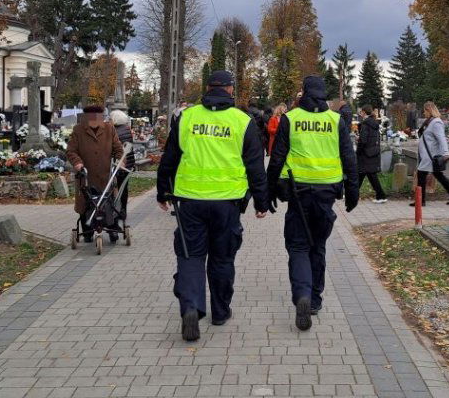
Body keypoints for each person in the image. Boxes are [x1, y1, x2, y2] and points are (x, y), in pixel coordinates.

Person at [157, 71, 268, 341]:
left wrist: (163, 191)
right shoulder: (243, 121)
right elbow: (255, 166)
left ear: (207, 89)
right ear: (231, 90)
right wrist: (262, 202)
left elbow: (170, 157)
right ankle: (220, 311)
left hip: (190, 201)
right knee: (222, 258)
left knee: (191, 256)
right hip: (227, 204)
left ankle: (191, 307)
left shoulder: (187, 117)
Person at [267, 76, 359, 331]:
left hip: (297, 193)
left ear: (304, 93)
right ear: (323, 94)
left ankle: (302, 295)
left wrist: (268, 191)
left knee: (298, 246)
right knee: (317, 246)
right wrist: (353, 191)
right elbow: (348, 157)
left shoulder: (291, 119)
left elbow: (277, 158)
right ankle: (315, 299)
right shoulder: (335, 120)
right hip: (327, 193)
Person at [66, 105, 124, 243]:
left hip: (106, 176)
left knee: (109, 203)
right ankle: (87, 232)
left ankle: (112, 230)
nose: (94, 120)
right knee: (85, 204)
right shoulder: (78, 130)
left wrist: (120, 160)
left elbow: (118, 149)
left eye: (97, 117)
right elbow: (71, 151)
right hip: (86, 176)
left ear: (102, 117)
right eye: (91, 117)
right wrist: (77, 163)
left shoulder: (109, 129)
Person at [412, 101, 449, 206]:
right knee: (439, 176)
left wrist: (446, 152)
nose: (424, 113)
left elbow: (441, 138)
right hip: (427, 155)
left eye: (424, 111)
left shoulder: (436, 122)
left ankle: (421, 201)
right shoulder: (430, 121)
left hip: (430, 156)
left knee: (421, 175)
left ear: (429, 110)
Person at [357, 105, 387, 203]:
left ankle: (381, 196)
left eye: (361, 112)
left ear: (364, 112)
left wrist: (358, 147)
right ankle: (381, 195)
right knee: (365, 174)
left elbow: (364, 140)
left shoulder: (365, 124)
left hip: (365, 153)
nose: (360, 113)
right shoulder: (374, 123)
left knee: (364, 174)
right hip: (372, 152)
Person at [110, 110, 136, 220]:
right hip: (128, 163)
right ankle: (123, 210)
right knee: (124, 188)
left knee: (114, 188)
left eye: (110, 118)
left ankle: (115, 211)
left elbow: (115, 149)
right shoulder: (126, 129)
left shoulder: (115, 131)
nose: (109, 120)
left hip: (119, 163)